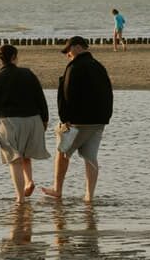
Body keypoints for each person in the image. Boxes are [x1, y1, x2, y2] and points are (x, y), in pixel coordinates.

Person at [41, 36, 113, 204]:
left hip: (78, 121)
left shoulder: (74, 67)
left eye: (68, 50)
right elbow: (108, 92)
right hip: (99, 121)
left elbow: (66, 96)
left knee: (62, 152)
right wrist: (106, 117)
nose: (67, 54)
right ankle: (89, 196)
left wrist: (65, 120)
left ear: (78, 47)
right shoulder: (99, 66)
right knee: (91, 157)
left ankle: (57, 189)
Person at [0, 44, 50, 204]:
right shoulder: (28, 74)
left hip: (9, 122)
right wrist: (44, 120)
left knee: (14, 160)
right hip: (32, 119)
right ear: (14, 57)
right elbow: (41, 98)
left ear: (1, 60)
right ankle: (29, 181)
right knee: (25, 155)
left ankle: (20, 199)